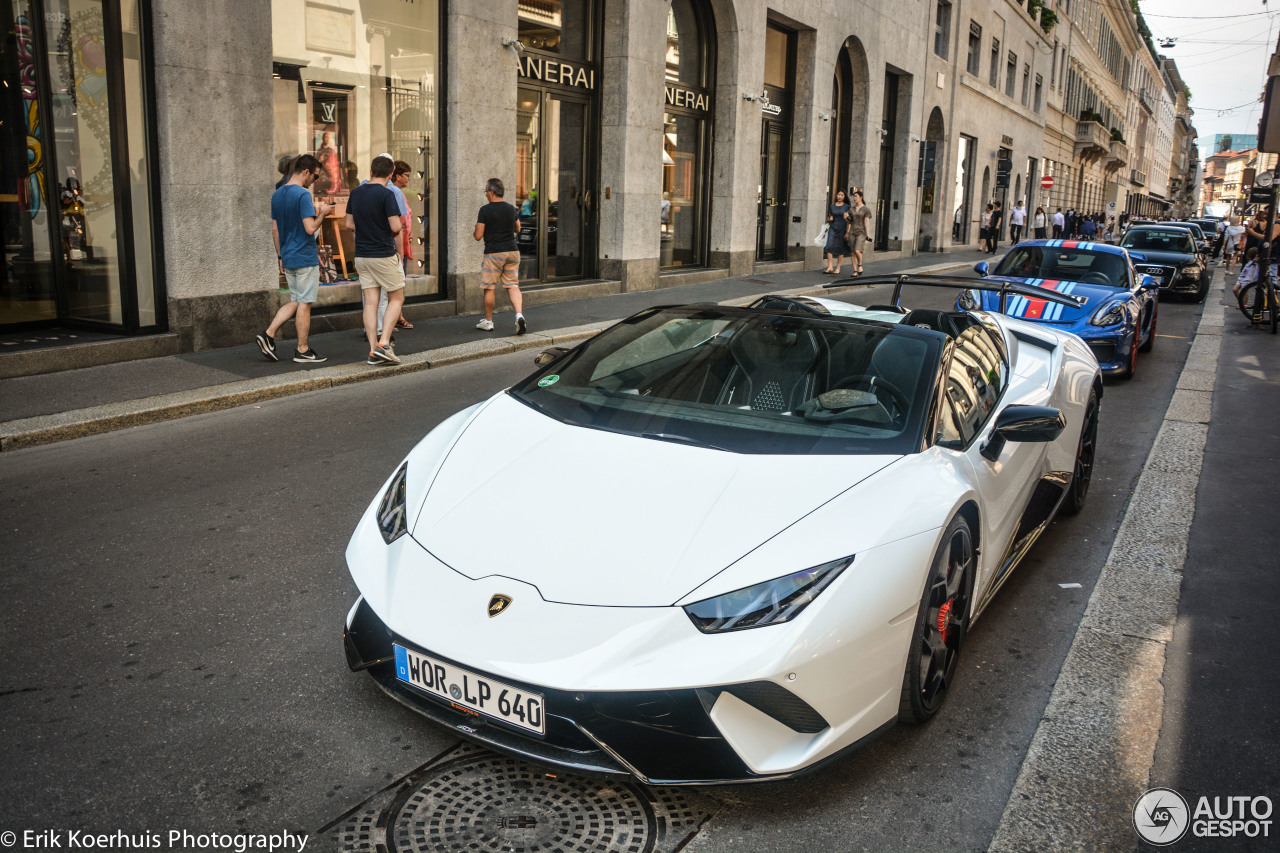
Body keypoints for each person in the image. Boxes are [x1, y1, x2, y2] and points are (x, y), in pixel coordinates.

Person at [257, 154, 332, 364]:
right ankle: (302, 350)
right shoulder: (302, 195)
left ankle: (268, 334)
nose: (314, 181)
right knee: (305, 303)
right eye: (315, 177)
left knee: (297, 300)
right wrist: (323, 214)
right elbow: (310, 228)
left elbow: (275, 230)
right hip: (305, 256)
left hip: (288, 256)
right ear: (306, 172)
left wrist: (280, 256)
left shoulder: (277, 194)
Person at [346, 154, 405, 365]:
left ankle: (373, 351)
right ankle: (384, 343)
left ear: (371, 171)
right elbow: (396, 227)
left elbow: (349, 224)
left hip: (362, 255)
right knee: (396, 298)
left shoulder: (356, 193)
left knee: (370, 302)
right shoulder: (387, 194)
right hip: (383, 253)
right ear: (390, 175)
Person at [474, 177, 527, 334]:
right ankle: (519, 316)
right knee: (513, 285)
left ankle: (488, 322)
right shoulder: (511, 208)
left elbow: (478, 235)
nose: (485, 194)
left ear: (491, 192)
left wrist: (475, 229)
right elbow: (518, 228)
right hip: (512, 251)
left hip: (494, 253)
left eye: (486, 191)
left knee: (489, 287)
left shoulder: (485, 210)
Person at [822, 189, 852, 274]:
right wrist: (829, 219)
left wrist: (847, 232)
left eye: (842, 195)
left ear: (844, 197)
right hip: (833, 227)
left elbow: (848, 220)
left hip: (842, 228)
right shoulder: (832, 206)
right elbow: (830, 217)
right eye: (839, 194)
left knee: (840, 248)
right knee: (829, 246)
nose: (840, 196)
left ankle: (838, 267)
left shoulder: (846, 206)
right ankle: (830, 266)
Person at [847, 188, 873, 275]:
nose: (854, 198)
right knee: (853, 252)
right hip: (852, 232)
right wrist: (845, 217)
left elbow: (866, 221)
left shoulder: (866, 209)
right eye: (853, 196)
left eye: (856, 196)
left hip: (861, 232)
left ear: (861, 197)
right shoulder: (851, 209)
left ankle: (860, 265)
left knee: (857, 250)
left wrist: (868, 234)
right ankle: (855, 271)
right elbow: (850, 221)